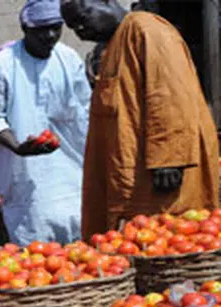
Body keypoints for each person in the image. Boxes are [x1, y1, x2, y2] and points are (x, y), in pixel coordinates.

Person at [62, 0, 219, 238]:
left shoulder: (146, 30)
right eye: (73, 27)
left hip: (161, 175)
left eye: (83, 18)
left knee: (168, 237)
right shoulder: (113, 46)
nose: (80, 31)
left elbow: (168, 91)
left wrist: (168, 158)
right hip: (131, 175)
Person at [0, 0, 91, 246]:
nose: (50, 35)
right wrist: (17, 146)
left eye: (55, 27)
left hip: (72, 169)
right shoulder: (0, 65)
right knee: (35, 241)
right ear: (25, 29)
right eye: (41, 29)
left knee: (81, 243)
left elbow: (86, 107)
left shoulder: (69, 58)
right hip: (24, 173)